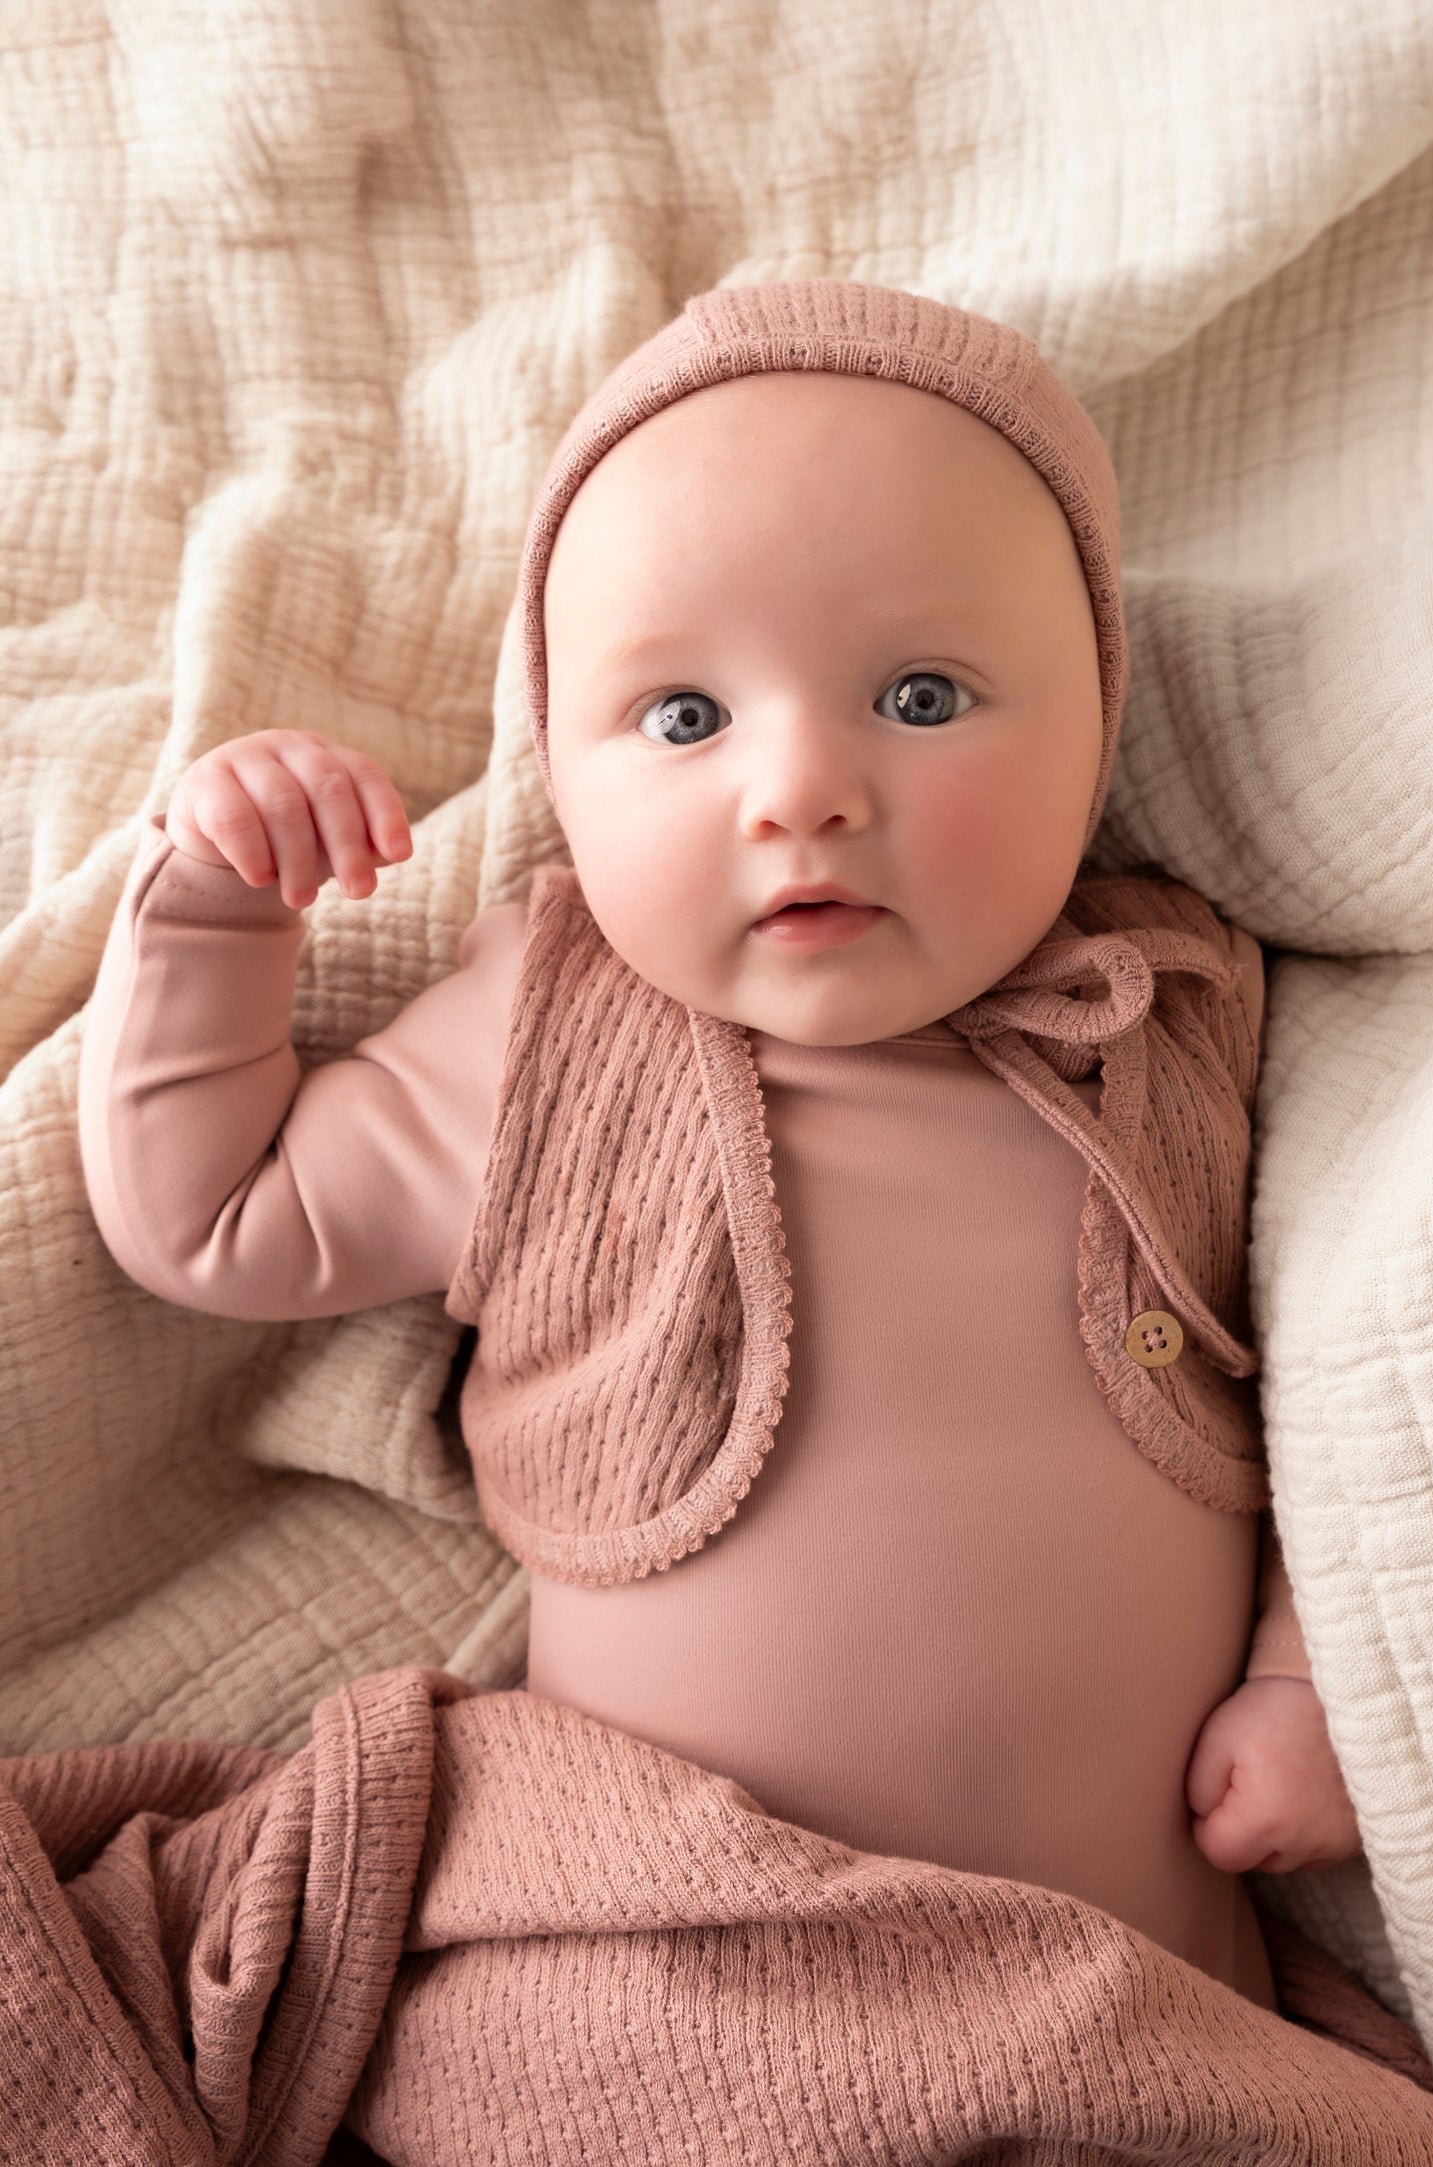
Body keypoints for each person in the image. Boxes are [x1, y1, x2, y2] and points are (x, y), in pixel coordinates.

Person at [77, 279, 1362, 2020]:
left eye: (922, 693)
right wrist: (216, 905)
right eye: (684, 718)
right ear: (562, 767)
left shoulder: (1167, 1012)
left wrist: (1304, 1678)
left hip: (1124, 1988)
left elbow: (1325, 1402)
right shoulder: (543, 1037)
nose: (800, 790)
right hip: (651, 1968)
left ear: (1096, 727)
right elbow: (214, 1218)